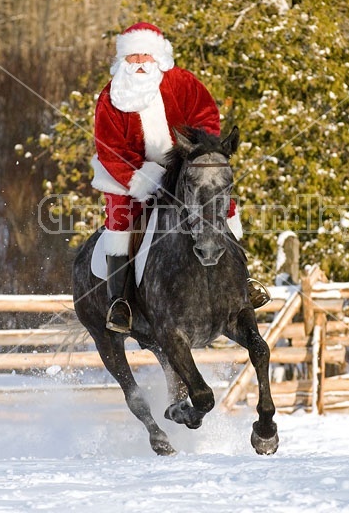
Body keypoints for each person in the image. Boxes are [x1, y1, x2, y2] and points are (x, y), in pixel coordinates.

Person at [91, 22, 269, 333]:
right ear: (123, 61)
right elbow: (109, 147)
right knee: (120, 219)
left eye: (145, 56)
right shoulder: (111, 96)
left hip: (185, 165)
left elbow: (205, 116)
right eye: (132, 58)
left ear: (158, 56)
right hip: (131, 173)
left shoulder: (182, 82)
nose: (140, 64)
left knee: (221, 205)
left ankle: (243, 282)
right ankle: (119, 301)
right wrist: (140, 177)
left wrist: (198, 155)